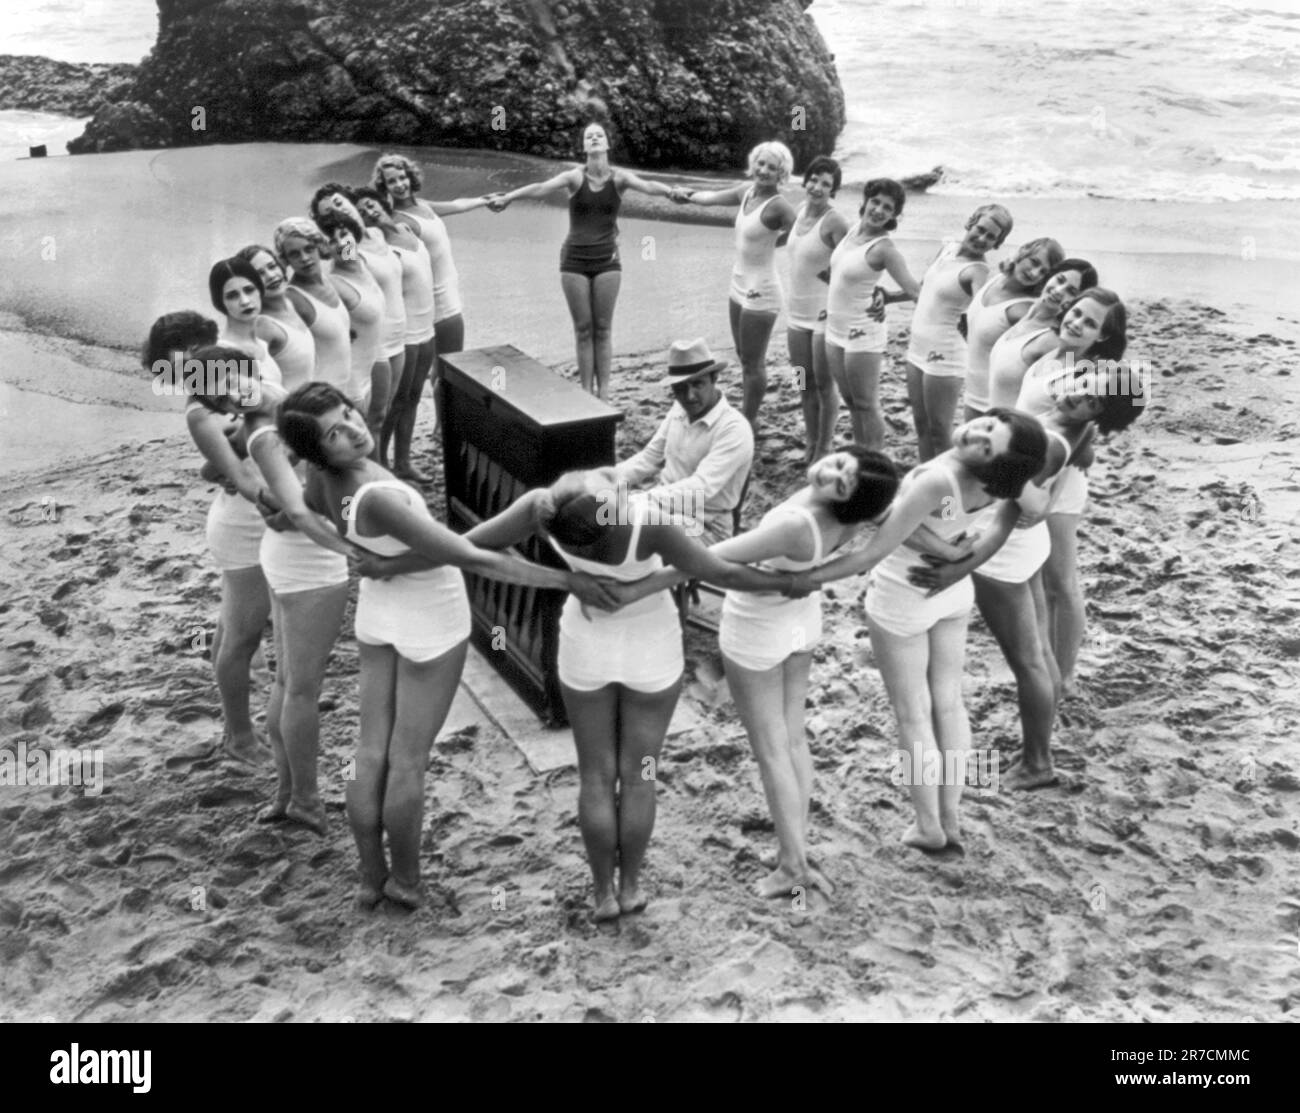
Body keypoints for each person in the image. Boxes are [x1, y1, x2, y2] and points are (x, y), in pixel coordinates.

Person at [275, 382, 621, 909]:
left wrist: (376, 559)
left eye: (348, 414)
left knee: (371, 753)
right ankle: (406, 880)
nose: (353, 430)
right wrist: (568, 583)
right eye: (334, 434)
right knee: (406, 760)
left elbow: (306, 513)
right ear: (320, 450)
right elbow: (473, 558)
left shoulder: (320, 482)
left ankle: (371, 877)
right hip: (429, 620)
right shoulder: (383, 497)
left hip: (379, 612)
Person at [465, 467, 802, 921]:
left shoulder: (543, 510)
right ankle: (631, 887)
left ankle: (602, 893)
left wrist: (564, 580)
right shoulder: (649, 522)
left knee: (596, 775)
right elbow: (719, 570)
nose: (619, 485)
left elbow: (470, 547)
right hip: (650, 651)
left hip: (587, 647)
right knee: (641, 774)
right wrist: (783, 582)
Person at [607, 447, 901, 899]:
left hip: (759, 630)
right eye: (840, 462)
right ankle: (795, 844)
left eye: (841, 482)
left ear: (848, 500)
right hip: (802, 622)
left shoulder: (795, 525)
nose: (829, 474)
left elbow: (709, 561)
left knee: (771, 749)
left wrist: (640, 587)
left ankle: (792, 866)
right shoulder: (856, 517)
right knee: (793, 738)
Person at [788, 411, 1048, 852]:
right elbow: (1035, 508)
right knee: (948, 704)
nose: (974, 435)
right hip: (952, 592)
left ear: (993, 463)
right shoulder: (1004, 479)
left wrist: (803, 579)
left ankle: (928, 823)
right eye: (985, 426)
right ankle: (951, 815)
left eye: (987, 446)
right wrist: (963, 557)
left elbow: (872, 552)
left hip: (903, 594)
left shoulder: (935, 480)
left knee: (913, 713)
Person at [930, 345, 1146, 790]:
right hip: (1027, 547)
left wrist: (963, 559)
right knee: (1040, 655)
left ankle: (1037, 763)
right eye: (1085, 383)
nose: (1080, 395)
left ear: (1100, 415)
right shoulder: (1079, 431)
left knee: (1027, 660)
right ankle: (1037, 750)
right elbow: (1068, 464)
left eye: (1095, 400)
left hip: (1006, 551)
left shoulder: (1052, 438)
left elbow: (1024, 502)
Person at [184, 343, 358, 835]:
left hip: (280, 550)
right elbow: (278, 503)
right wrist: (347, 545)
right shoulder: (251, 427)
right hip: (297, 554)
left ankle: (288, 791)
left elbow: (222, 472)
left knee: (287, 681)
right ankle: (296, 789)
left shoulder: (259, 417)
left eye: (242, 376)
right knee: (296, 684)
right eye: (223, 382)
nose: (237, 387)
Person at [145, 312, 271, 766]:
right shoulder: (201, 410)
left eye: (198, 352)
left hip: (244, 518)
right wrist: (292, 508)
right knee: (241, 638)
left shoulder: (232, 384)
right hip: (244, 527)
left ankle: (245, 725)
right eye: (183, 359)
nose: (195, 364)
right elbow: (236, 471)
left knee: (233, 630)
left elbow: (218, 467)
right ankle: (239, 736)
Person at [488, 121, 679, 400]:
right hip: (574, 260)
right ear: (583, 146)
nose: (594, 139)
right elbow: (541, 187)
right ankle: (585, 392)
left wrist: (671, 192)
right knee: (582, 329)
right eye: (589, 137)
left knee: (602, 328)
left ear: (607, 144)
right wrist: (509, 197)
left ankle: (603, 393)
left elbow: (648, 185)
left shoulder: (620, 178)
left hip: (607, 261)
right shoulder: (574, 178)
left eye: (599, 135)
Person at [1010, 289, 1131, 696]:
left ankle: (1063, 675)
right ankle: (1048, 661)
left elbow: (1083, 441)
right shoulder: (1056, 355)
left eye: (1090, 323)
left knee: (1062, 581)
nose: (1077, 323)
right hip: (1034, 469)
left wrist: (1049, 489)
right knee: (1040, 579)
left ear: (1102, 337)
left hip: (1056, 484)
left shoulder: (1091, 374)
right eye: (1077, 313)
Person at [671, 141, 798, 429]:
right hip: (738, 283)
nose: (763, 170)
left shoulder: (778, 205)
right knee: (743, 356)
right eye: (761, 164)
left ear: (781, 174)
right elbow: (712, 197)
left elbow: (802, 232)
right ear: (754, 164)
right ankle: (747, 411)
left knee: (754, 363)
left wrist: (776, 243)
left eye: (772, 168)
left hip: (762, 290)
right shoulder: (746, 192)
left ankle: (748, 421)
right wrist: (688, 196)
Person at [613, 339, 754, 545]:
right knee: (600, 520)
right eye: (680, 388)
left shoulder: (734, 429)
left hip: (706, 524)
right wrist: (604, 480)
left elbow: (701, 489)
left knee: (627, 534)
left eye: (698, 384)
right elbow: (649, 458)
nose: (689, 396)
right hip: (663, 508)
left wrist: (642, 500)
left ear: (714, 378)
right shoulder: (679, 409)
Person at [905, 204, 1013, 461]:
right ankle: (926, 483)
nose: (982, 239)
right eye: (981, 229)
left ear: (996, 245)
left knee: (940, 433)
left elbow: (986, 312)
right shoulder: (948, 249)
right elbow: (924, 290)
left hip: (944, 355)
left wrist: (1007, 281)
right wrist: (888, 297)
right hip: (916, 348)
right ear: (970, 222)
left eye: (991, 237)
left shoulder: (978, 272)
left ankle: (948, 501)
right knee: (921, 426)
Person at [824, 179, 922, 451]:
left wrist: (889, 297)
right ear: (865, 202)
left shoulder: (885, 249)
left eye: (887, 208)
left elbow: (915, 291)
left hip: (863, 331)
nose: (879, 210)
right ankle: (861, 454)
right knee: (851, 402)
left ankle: (875, 460)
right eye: (875, 202)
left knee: (866, 403)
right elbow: (842, 274)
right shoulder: (852, 230)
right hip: (835, 329)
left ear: (894, 216)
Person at [372, 153, 494, 359]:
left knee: (444, 367)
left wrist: (485, 200)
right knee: (451, 365)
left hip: (448, 296)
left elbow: (457, 205)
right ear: (384, 187)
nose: (400, 184)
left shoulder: (423, 205)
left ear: (410, 177)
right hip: (439, 305)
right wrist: (347, 255)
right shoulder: (396, 220)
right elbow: (367, 245)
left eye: (402, 177)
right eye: (391, 181)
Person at [352, 186, 435, 481]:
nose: (369, 211)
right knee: (394, 404)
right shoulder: (375, 245)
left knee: (413, 397)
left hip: (427, 325)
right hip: (405, 331)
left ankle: (402, 461)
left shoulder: (403, 228)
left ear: (381, 202)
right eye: (361, 210)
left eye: (371, 204)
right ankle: (382, 463)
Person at [784, 156, 850, 463]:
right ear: (805, 179)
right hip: (795, 314)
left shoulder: (835, 221)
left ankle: (825, 446)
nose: (818, 187)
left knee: (824, 385)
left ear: (833, 190)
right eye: (814, 179)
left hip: (823, 315)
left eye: (826, 184)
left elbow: (852, 265)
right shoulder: (798, 213)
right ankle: (810, 441)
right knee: (801, 380)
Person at [961, 237, 1064, 420]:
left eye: (1043, 272)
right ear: (1023, 251)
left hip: (992, 404)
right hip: (971, 389)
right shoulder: (997, 279)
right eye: (1034, 262)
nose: (1034, 273)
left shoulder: (1023, 309)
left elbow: (1040, 358)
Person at [984, 258, 1100, 411]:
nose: (1059, 291)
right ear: (1050, 276)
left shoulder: (1053, 340)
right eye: (1059, 280)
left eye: (1071, 292)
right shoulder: (1027, 314)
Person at [317, 208, 390, 439]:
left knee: (375, 427)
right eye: (331, 241)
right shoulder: (332, 286)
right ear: (324, 250)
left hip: (368, 370)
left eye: (344, 235)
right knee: (357, 441)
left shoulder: (362, 268)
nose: (340, 243)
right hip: (350, 383)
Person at [274, 217, 357, 395]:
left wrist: (345, 229)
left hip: (351, 383)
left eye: (309, 249)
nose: (304, 258)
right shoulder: (292, 299)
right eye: (294, 254)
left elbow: (352, 260)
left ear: (319, 246)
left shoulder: (331, 280)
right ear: (285, 260)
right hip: (321, 396)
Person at [235, 245, 317, 391]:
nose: (272, 276)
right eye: (260, 274)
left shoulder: (292, 304)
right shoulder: (263, 326)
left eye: (272, 266)